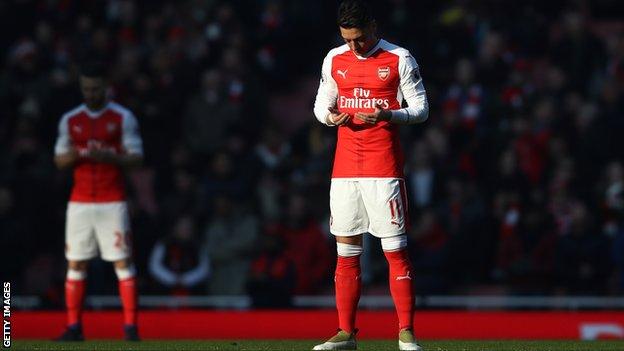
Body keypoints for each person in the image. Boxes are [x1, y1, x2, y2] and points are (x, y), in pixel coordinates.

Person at [312, 1, 428, 350]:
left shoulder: (399, 58)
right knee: (346, 252)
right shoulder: (334, 59)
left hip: (383, 167)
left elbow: (421, 108)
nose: (354, 47)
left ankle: (406, 333)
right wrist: (330, 119)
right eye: (347, 39)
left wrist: (389, 114)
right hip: (345, 169)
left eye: (360, 39)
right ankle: (346, 333)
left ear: (374, 28)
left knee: (395, 251)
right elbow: (321, 104)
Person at [53, 62, 143, 341]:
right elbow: (59, 159)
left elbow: (137, 158)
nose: (90, 94)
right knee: (76, 263)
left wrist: (111, 157)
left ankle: (130, 329)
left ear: (106, 87)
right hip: (80, 203)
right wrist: (81, 154)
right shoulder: (71, 119)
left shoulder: (122, 117)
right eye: (86, 89)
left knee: (122, 262)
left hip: (111, 201)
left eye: (95, 89)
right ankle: (74, 327)